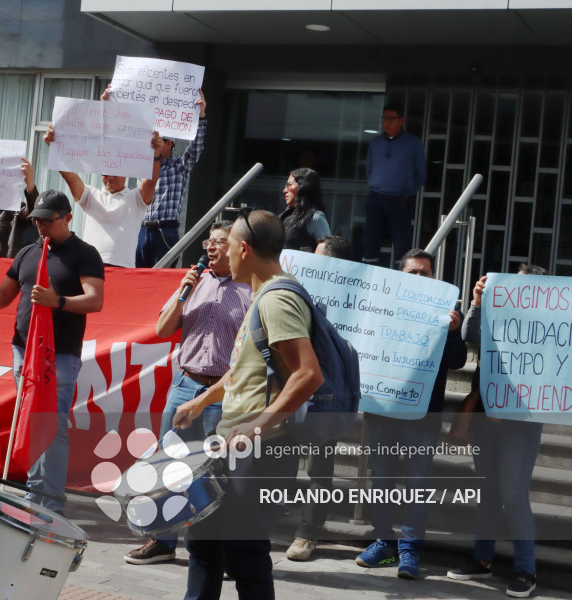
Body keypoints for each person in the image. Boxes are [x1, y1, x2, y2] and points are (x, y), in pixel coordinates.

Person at [172, 208, 324, 600]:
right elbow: (244, 368)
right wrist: (203, 399)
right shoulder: (262, 295)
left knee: (245, 554)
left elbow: (309, 375)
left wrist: (255, 427)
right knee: (203, 541)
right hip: (234, 447)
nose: (218, 254)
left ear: (244, 248)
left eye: (227, 246)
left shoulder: (276, 299)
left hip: (260, 451)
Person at [125, 220, 252, 565]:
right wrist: (183, 292)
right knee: (169, 464)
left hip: (222, 393)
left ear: (238, 247)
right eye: (208, 242)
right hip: (185, 386)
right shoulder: (193, 283)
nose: (210, 247)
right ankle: (163, 541)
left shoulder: (250, 288)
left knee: (219, 469)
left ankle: (218, 549)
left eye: (220, 242)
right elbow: (162, 328)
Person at [0, 190, 104, 513]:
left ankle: (47, 502)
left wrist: (59, 302)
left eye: (48, 220)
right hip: (23, 350)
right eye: (36, 220)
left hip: (59, 354)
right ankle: (37, 494)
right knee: (34, 421)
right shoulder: (27, 253)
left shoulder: (84, 253)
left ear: (67, 218)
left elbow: (96, 300)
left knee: (50, 423)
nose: (40, 226)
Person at [355, 248, 466, 578]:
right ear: (399, 276)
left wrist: (452, 332)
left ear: (434, 278)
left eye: (425, 273)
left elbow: (458, 361)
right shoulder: (381, 309)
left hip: (423, 416)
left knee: (418, 484)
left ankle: (410, 550)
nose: (419, 278)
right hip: (383, 411)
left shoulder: (448, 312)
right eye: (412, 272)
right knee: (382, 481)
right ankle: (383, 543)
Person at [447, 265, 546, 599]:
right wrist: (477, 301)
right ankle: (482, 559)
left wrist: (510, 407)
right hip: (486, 417)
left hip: (521, 422)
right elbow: (471, 336)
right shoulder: (496, 314)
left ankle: (525, 570)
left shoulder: (548, 328)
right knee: (488, 492)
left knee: (514, 496)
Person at [286, 233, 351, 562]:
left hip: (326, 394)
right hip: (293, 382)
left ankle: (308, 532)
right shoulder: (302, 290)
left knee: (318, 465)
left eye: (319, 259)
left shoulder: (355, 298)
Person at [44, 124, 164, 267]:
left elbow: (150, 182)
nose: (109, 177)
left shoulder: (136, 198)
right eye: (105, 172)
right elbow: (69, 177)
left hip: (123, 270)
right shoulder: (89, 195)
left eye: (115, 172)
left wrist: (156, 154)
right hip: (89, 267)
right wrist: (54, 147)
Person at [134, 89, 207, 267]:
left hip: (164, 230)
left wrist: (201, 116)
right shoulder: (141, 163)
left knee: (161, 279)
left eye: (159, 140)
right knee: (137, 278)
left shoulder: (179, 166)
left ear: (169, 143)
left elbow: (196, 147)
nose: (153, 143)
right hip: (140, 228)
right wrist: (109, 103)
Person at [363, 102, 426, 267]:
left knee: (401, 244)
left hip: (400, 199)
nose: (387, 122)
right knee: (370, 241)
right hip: (376, 198)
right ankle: (368, 279)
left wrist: (409, 190)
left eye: (391, 118)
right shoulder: (375, 142)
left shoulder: (413, 143)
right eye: (385, 118)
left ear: (401, 121)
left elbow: (421, 173)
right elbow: (369, 168)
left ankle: (400, 280)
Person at [280, 168, 330, 252]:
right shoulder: (283, 216)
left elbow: (328, 252)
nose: (285, 190)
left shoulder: (315, 217)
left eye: (289, 185)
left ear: (303, 187)